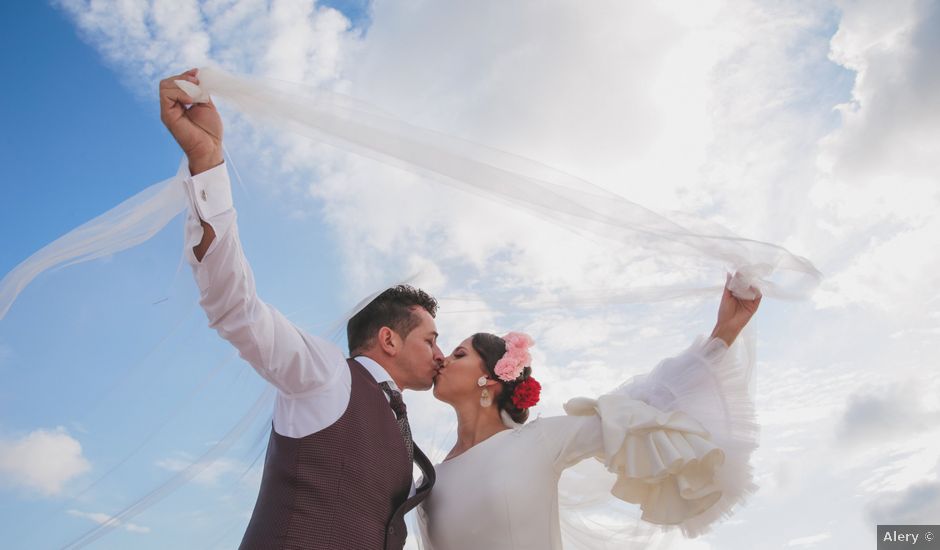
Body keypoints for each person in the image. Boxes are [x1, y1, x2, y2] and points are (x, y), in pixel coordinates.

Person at [159, 68, 442, 549]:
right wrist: (207, 160)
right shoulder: (325, 373)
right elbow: (235, 307)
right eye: (431, 339)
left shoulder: (402, 425)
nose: (441, 353)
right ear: (389, 339)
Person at [418, 276, 762, 549]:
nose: (442, 359)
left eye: (459, 355)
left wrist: (724, 333)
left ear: (490, 379)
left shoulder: (539, 441)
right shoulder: (428, 480)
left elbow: (645, 409)